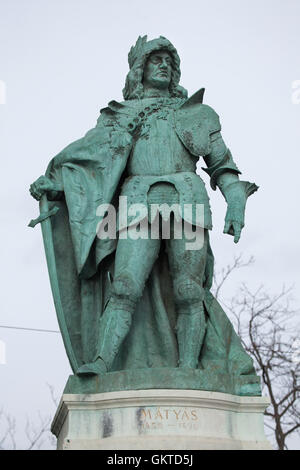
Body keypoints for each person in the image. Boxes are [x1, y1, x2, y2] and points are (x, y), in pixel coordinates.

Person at [30, 36, 258, 383]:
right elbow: (90, 162)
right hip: (137, 204)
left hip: (189, 206)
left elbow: (222, 164)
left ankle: (187, 370)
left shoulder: (197, 114)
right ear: (140, 69)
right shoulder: (119, 116)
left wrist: (236, 202)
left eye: (169, 60)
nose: (164, 65)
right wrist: (57, 185)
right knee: (124, 286)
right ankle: (102, 363)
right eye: (156, 60)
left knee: (188, 290)